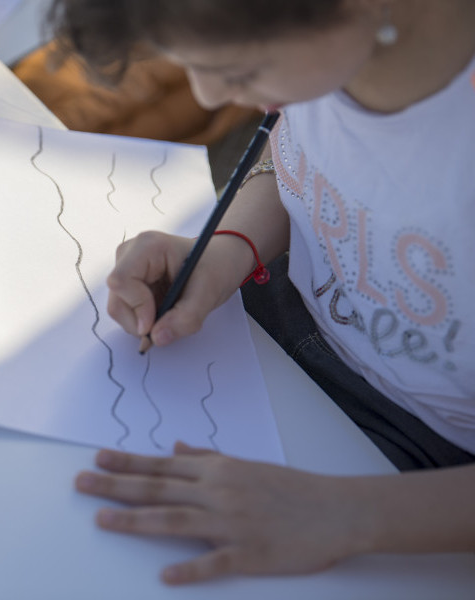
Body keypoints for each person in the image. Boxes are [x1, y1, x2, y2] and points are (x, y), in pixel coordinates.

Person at [46, 0, 475, 585]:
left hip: (426, 458)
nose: (206, 98)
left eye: (240, 71)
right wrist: (227, 246)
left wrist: (344, 515)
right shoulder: (341, 51)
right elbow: (321, 154)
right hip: (293, 316)